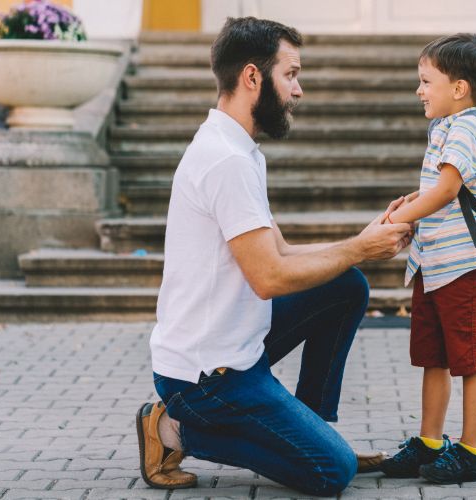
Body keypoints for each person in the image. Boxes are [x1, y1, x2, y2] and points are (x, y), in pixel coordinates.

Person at [135, 17, 414, 496]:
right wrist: (361, 249)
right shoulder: (226, 161)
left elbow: (279, 252)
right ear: (252, 77)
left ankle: (313, 427)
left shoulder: (238, 150)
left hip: (234, 346)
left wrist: (362, 242)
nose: (298, 90)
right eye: (291, 74)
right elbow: (269, 278)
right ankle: (173, 429)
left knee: (345, 286)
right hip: (205, 380)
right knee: (331, 472)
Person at [378, 33, 476, 484]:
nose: (419, 89)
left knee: (469, 360)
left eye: (426, 80)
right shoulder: (446, 127)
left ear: (459, 88)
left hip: (463, 268)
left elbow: (449, 189)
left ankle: (471, 454)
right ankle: (430, 442)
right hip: (433, 266)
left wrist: (397, 223)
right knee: (434, 357)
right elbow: (443, 187)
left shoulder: (470, 125)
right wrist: (411, 201)